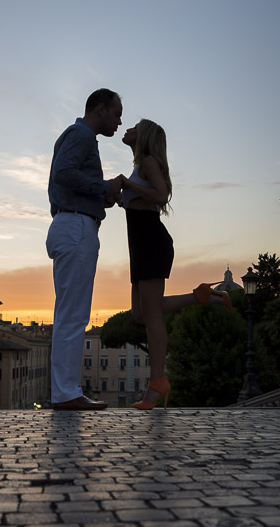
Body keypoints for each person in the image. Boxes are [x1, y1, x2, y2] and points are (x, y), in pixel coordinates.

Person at [119, 119, 231, 410]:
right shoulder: (140, 165)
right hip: (141, 244)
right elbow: (142, 198)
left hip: (151, 242)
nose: (127, 129)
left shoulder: (148, 161)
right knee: (139, 313)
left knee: (152, 317)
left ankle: (156, 384)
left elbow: (161, 194)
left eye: (134, 127)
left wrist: (127, 184)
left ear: (144, 136)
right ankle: (203, 297)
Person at [46, 88, 124, 411]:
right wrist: (105, 187)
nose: (120, 122)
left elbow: (67, 177)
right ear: (101, 109)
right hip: (76, 227)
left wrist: (99, 197)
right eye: (117, 114)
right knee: (73, 315)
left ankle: (65, 390)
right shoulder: (82, 134)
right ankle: (66, 393)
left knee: (70, 313)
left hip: (72, 224)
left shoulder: (77, 135)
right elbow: (64, 174)